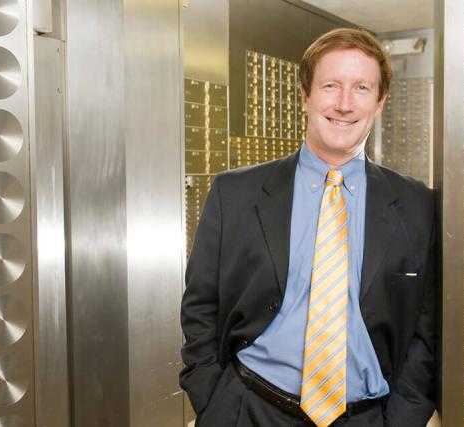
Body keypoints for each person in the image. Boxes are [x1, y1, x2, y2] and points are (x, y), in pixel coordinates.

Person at [180, 27, 437, 427]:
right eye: (331, 86)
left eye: (362, 88)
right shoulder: (235, 194)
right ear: (306, 94)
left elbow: (426, 324)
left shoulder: (417, 205)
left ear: (381, 100)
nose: (345, 104)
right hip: (249, 410)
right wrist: (215, 402)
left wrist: (405, 416)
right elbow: (200, 305)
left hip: (366, 418)